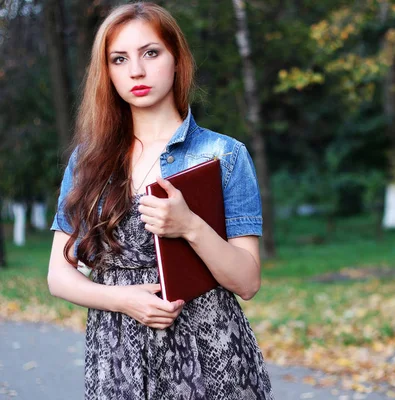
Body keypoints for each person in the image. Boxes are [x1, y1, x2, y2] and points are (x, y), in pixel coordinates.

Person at [47, 3, 273, 399]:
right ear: (108, 72)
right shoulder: (87, 162)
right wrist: (123, 300)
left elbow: (247, 281)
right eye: (120, 59)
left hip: (211, 356)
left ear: (176, 59)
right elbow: (58, 275)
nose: (136, 70)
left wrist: (189, 226)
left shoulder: (224, 155)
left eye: (151, 53)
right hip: (117, 357)